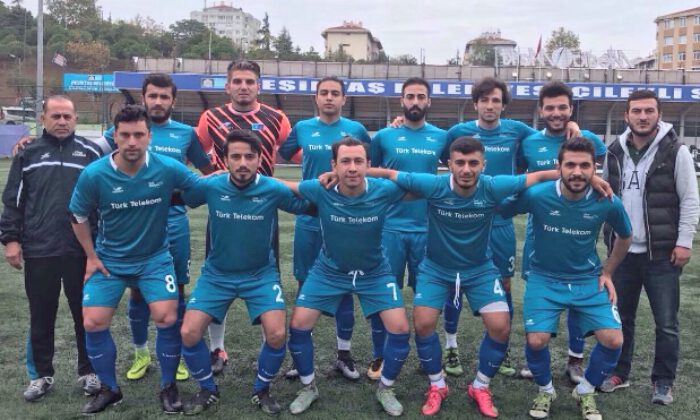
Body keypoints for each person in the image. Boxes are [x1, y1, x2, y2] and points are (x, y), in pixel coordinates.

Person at [367, 137, 562, 416]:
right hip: (436, 269)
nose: (466, 169)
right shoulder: (434, 185)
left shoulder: (493, 186)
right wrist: (347, 173)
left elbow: (538, 176)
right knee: (423, 323)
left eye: (473, 163)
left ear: (483, 164)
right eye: (460, 162)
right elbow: (389, 173)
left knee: (500, 326)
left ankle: (480, 386)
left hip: (479, 269)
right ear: (449, 164)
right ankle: (437, 384)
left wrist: (590, 178)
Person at [439, 77, 580, 377]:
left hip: (500, 222)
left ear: (504, 105)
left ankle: (500, 350)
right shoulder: (457, 132)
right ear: (475, 104)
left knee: (503, 285)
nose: (490, 106)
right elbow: (445, 160)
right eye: (484, 100)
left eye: (496, 100)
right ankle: (451, 346)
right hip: (465, 221)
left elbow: (549, 136)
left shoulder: (518, 131)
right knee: (456, 284)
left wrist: (573, 126)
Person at [69, 105, 201, 415]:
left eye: (139, 135)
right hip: (109, 261)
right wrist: (90, 256)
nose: (132, 142)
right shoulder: (95, 174)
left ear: (149, 137)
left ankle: (168, 386)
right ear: (114, 136)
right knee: (93, 321)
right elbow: (77, 214)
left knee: (167, 317)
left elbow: (201, 188)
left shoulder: (167, 168)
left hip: (155, 259)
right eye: (125, 135)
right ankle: (109, 389)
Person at [179, 130, 311, 415]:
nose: (242, 163)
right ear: (224, 160)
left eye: (249, 156)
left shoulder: (272, 188)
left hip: (260, 275)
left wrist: (317, 185)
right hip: (217, 275)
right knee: (188, 333)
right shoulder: (211, 186)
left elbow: (309, 205)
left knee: (276, 334)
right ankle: (207, 388)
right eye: (235, 156)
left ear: (260, 159)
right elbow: (181, 194)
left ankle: (261, 389)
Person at [501, 137, 632, 420]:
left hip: (588, 279)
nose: (577, 172)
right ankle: (545, 390)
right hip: (544, 277)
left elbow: (625, 235)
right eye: (570, 165)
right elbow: (502, 207)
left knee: (613, 340)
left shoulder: (606, 200)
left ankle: (585, 390)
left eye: (585, 166)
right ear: (558, 166)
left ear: (595, 168)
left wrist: (608, 271)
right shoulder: (538, 195)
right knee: (536, 341)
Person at [283, 137, 411, 417]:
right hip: (329, 271)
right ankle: (308, 387)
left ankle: (385, 388)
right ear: (334, 165)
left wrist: (382, 173)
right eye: (345, 161)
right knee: (298, 325)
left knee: (400, 329)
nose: (352, 167)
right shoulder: (321, 190)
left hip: (374, 272)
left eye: (358, 161)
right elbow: (283, 186)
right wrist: (233, 176)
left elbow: (425, 186)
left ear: (368, 164)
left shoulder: (383, 190)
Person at [102, 73, 214, 383]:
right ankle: (141, 352)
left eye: (165, 96)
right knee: (138, 290)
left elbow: (207, 174)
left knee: (177, 290)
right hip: (134, 224)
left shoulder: (185, 134)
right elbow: (95, 160)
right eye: (153, 95)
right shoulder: (123, 131)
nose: (158, 101)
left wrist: (178, 196)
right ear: (144, 98)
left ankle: (174, 355)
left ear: (173, 101)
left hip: (173, 223)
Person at [599, 89, 699, 405]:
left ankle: (663, 382)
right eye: (637, 111)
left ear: (659, 114)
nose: (643, 117)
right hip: (622, 254)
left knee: (666, 324)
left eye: (649, 111)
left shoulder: (675, 151)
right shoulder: (614, 150)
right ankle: (619, 372)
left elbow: (690, 199)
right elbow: (605, 197)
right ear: (626, 115)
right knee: (620, 318)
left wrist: (684, 242)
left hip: (662, 254)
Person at [0, 95, 102, 401]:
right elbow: (13, 200)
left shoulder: (90, 152)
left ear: (75, 119)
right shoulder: (28, 153)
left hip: (80, 252)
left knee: (85, 314)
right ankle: (40, 375)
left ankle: (89, 371)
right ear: (43, 119)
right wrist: (11, 239)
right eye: (55, 116)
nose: (62, 121)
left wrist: (97, 247)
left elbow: (101, 201)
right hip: (39, 248)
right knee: (41, 315)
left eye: (67, 116)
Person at [196, 59, 291, 374]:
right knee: (216, 277)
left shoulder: (276, 118)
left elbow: (301, 151)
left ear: (259, 86)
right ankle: (217, 349)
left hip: (262, 210)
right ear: (227, 86)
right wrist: (213, 179)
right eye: (237, 81)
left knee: (267, 276)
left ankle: (268, 347)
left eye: (249, 81)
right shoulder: (210, 118)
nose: (243, 87)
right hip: (222, 209)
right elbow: (195, 151)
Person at [278, 76, 371, 381]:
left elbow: (365, 164)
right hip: (309, 217)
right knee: (306, 284)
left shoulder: (356, 129)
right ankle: (300, 357)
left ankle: (344, 354)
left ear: (344, 99)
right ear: (316, 98)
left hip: (344, 218)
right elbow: (286, 152)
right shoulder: (302, 128)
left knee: (345, 284)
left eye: (335, 93)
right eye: (324, 93)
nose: (329, 98)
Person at [517, 81, 607, 382]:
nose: (556, 113)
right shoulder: (528, 142)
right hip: (540, 233)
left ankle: (575, 360)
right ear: (541, 110)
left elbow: (598, 175)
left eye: (562, 107)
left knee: (578, 297)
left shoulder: (588, 138)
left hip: (579, 233)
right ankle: (534, 356)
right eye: (550, 107)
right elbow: (522, 180)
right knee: (537, 295)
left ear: (571, 109)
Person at [367, 76, 447, 380]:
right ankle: (380, 354)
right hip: (389, 228)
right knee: (383, 292)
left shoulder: (441, 137)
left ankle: (427, 356)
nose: (415, 101)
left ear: (429, 101)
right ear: (401, 100)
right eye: (410, 96)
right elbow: (372, 174)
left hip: (427, 228)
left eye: (420, 96)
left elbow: (458, 165)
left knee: (426, 296)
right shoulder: (384, 137)